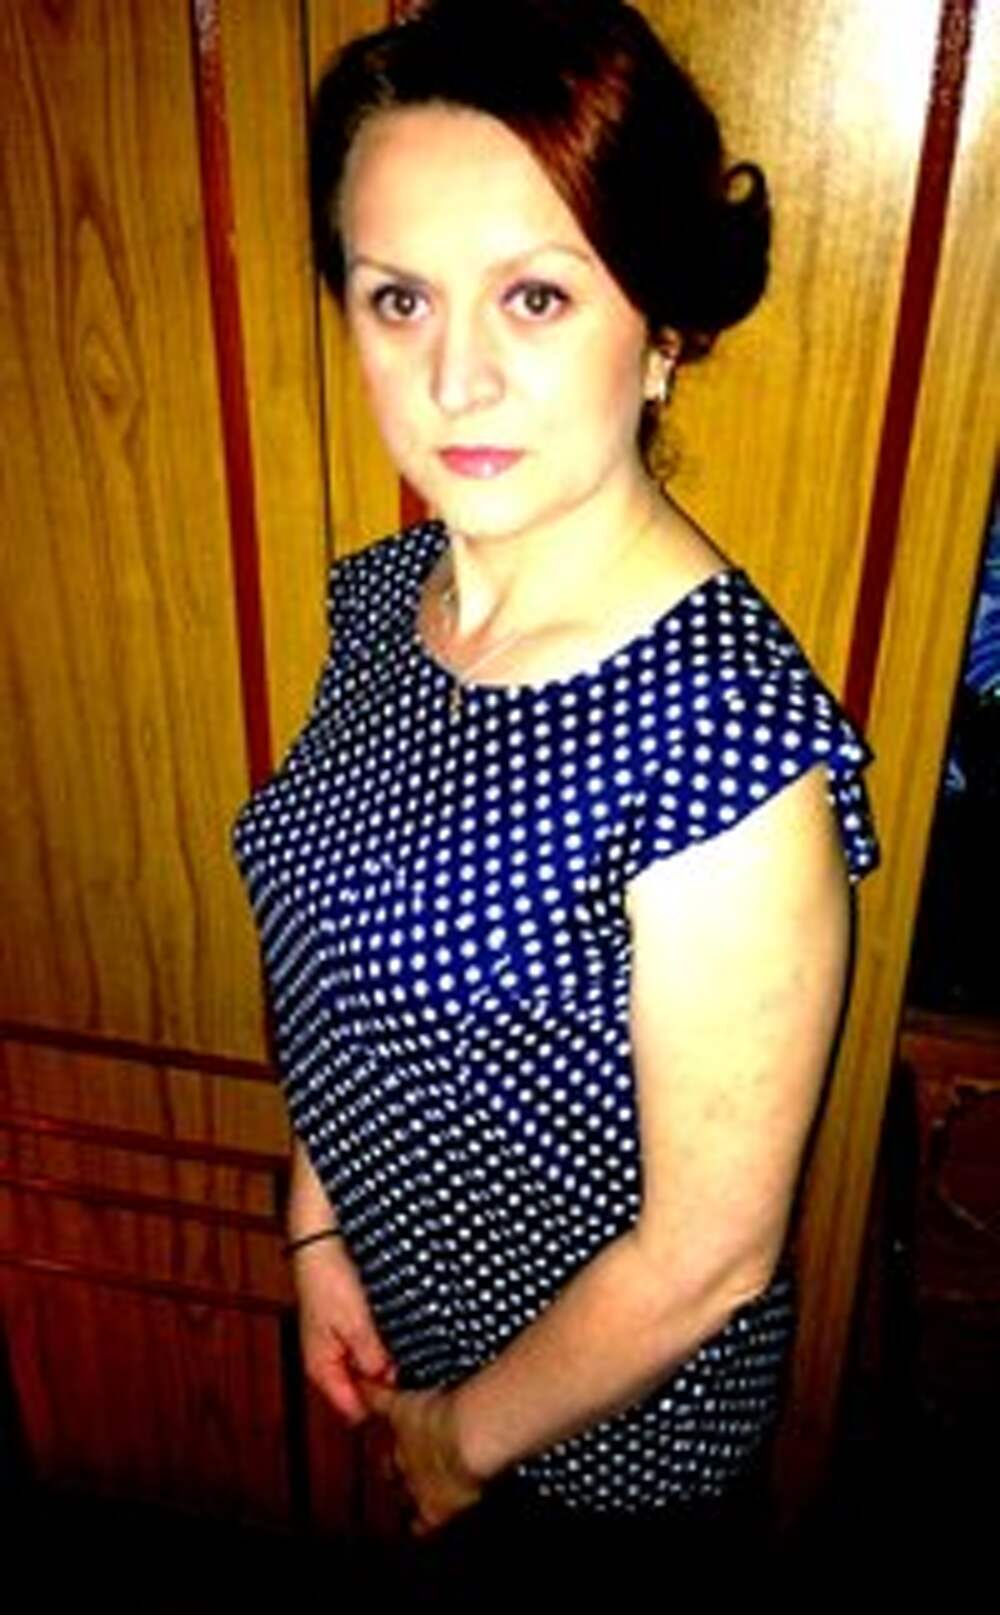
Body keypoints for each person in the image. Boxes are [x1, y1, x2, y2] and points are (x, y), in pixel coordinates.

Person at [232, 0, 878, 1595]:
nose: (457, 378)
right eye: (398, 298)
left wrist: (458, 1443)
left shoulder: (725, 741)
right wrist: (319, 1226)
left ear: (659, 329)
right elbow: (332, 947)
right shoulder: (386, 605)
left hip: (599, 1480)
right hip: (413, 1354)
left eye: (535, 294)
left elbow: (708, 1260)